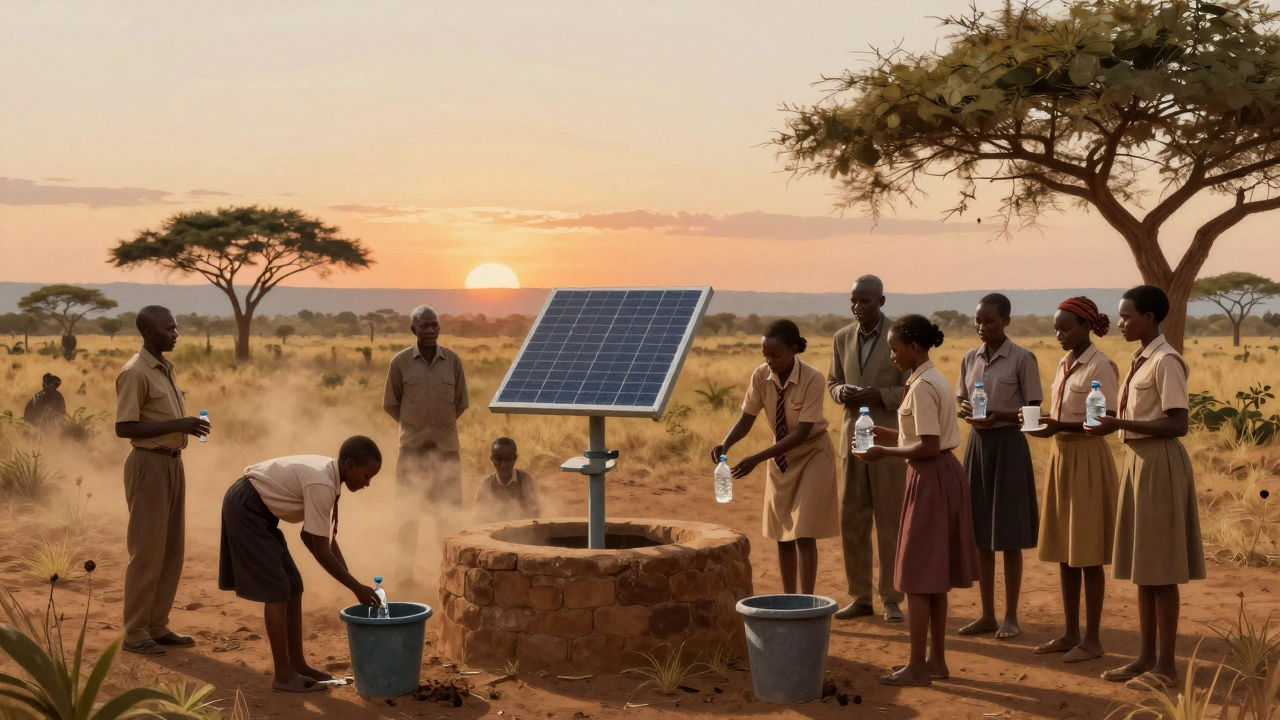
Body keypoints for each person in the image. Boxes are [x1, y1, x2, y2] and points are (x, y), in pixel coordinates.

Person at [1086, 285, 1205, 691]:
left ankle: (1167, 668)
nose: (1119, 324)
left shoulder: (1166, 361)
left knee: (1161, 570)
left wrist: (1118, 425)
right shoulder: (1141, 358)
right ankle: (1146, 658)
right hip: (1139, 461)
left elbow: (1178, 423)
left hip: (1159, 462)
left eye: (1126, 317)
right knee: (1144, 569)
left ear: (1149, 318)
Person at [854, 314, 980, 687]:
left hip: (930, 477)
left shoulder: (923, 386)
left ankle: (917, 667)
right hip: (941, 474)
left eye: (894, 349)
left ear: (914, 347)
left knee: (915, 577)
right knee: (934, 577)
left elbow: (926, 445)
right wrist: (887, 432)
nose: (892, 355)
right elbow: (927, 432)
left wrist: (884, 451)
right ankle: (936, 661)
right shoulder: (929, 379)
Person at [218, 437, 384, 693]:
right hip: (247, 508)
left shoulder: (330, 477)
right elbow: (321, 550)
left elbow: (314, 538)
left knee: (293, 583)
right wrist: (355, 587)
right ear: (350, 465)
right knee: (277, 590)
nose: (367, 483)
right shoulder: (322, 484)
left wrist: (352, 580)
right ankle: (283, 675)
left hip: (258, 510)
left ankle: (297, 665)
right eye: (366, 476)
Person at [711, 320, 839, 594]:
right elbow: (747, 417)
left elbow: (803, 433)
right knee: (782, 533)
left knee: (803, 531)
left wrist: (756, 458)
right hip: (780, 456)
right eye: (765, 355)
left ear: (794, 350)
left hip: (812, 452)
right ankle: (790, 598)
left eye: (776, 355)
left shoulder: (812, 378)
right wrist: (726, 443)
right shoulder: (761, 376)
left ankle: (807, 601)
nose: (770, 361)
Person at [1024, 297, 1119, 664]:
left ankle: (1093, 640)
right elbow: (1063, 415)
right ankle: (1069, 633)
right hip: (1062, 457)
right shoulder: (1065, 365)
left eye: (1066, 328)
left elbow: (1106, 419)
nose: (1059, 334)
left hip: (1088, 459)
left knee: (1088, 553)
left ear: (1086, 327)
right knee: (1066, 551)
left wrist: (1058, 426)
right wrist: (1044, 425)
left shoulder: (1100, 365)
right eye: (1056, 328)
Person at [114, 306, 210, 656]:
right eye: (168, 328)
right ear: (147, 332)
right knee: (147, 551)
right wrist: (178, 425)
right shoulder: (135, 372)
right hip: (148, 465)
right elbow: (124, 428)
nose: (175, 333)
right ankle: (135, 632)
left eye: (175, 327)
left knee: (172, 550)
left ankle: (157, 625)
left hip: (172, 463)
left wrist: (184, 427)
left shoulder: (165, 369)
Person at [956, 292, 1042, 640]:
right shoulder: (968, 358)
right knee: (981, 535)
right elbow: (962, 398)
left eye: (989, 321)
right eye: (977, 320)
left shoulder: (1023, 358)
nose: (982, 327)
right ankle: (987, 614)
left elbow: (1033, 412)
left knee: (1009, 537)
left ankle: (1010, 617)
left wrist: (999, 416)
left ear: (1006, 321)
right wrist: (966, 411)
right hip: (978, 446)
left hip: (1009, 446)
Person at [828, 275, 909, 622]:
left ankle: (891, 598)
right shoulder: (842, 337)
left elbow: (912, 387)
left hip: (888, 441)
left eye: (866, 301)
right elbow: (832, 381)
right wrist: (841, 391)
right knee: (852, 520)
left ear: (882, 301)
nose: (859, 307)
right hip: (852, 441)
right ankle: (860, 596)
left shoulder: (900, 336)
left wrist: (880, 394)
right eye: (854, 301)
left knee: (890, 520)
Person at [383, 305, 469, 585]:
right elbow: (391, 404)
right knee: (409, 517)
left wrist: (438, 429)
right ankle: (405, 577)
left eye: (434, 325)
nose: (430, 331)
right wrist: (416, 429)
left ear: (440, 329)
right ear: (413, 330)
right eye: (424, 326)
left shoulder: (453, 361)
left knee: (447, 516)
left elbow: (461, 403)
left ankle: (451, 574)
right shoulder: (400, 363)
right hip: (412, 453)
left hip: (446, 452)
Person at [473, 437, 541, 524]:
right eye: (498, 459)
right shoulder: (486, 483)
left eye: (508, 459)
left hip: (522, 530)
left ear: (515, 458)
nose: (503, 464)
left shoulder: (525, 479)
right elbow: (478, 516)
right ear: (491, 459)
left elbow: (534, 512)